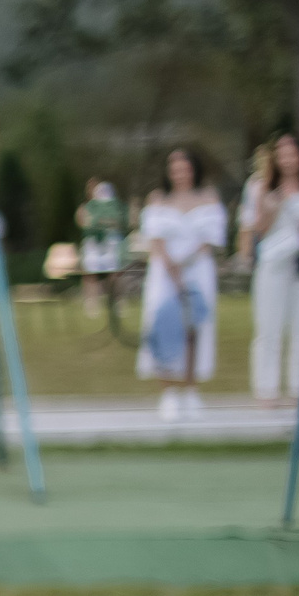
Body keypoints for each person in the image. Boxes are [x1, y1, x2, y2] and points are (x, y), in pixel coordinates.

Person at [137, 147, 227, 421]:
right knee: (163, 326)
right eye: (174, 168)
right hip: (164, 274)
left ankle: (191, 390)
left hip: (197, 270)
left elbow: (210, 240)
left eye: (184, 168)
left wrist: (185, 264)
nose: (179, 173)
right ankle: (168, 393)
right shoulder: (159, 199)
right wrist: (171, 266)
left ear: (194, 169)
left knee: (193, 329)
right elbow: (154, 239)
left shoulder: (208, 197)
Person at [238, 131, 299, 406]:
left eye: (293, 154)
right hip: (273, 263)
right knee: (269, 328)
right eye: (282, 155)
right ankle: (267, 389)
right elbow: (257, 229)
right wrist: (272, 207)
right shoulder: (259, 186)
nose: (288, 160)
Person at [77, 179, 127, 323]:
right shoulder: (86, 207)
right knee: (90, 273)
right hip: (94, 244)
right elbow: (84, 223)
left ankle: (116, 301)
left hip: (110, 243)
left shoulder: (113, 205)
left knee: (114, 272)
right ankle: (92, 303)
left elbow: (117, 221)